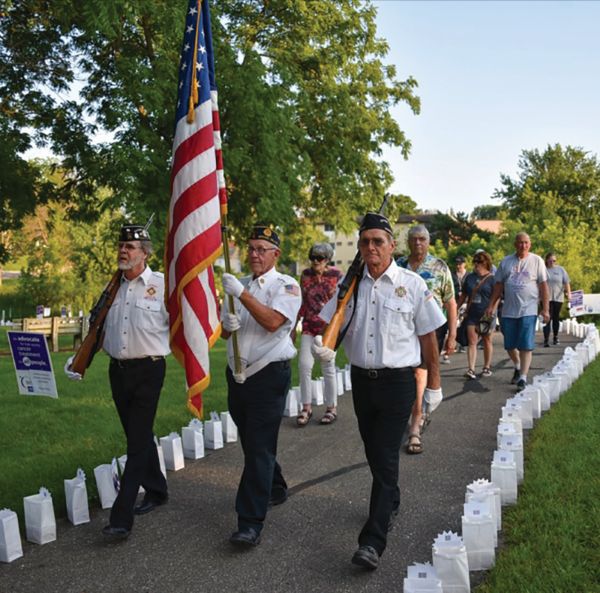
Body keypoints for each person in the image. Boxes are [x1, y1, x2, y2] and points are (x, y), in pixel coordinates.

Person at [313, 212, 445, 570]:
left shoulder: (412, 284)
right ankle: (392, 497)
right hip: (361, 380)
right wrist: (323, 345)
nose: (371, 247)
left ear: (392, 245)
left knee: (385, 454)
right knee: (374, 451)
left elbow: (429, 338)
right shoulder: (350, 285)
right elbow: (333, 323)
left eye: (378, 241)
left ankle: (372, 541)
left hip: (398, 381)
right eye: (365, 241)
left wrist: (433, 385)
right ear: (359, 246)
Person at [65, 224, 170, 540]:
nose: (123, 251)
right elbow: (99, 331)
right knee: (138, 434)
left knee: (135, 443)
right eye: (121, 246)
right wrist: (79, 359)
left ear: (145, 253)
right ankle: (157, 488)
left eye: (130, 247)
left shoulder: (163, 286)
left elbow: (184, 325)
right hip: (118, 372)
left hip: (150, 370)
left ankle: (121, 518)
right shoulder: (112, 289)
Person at [220, 225, 301, 548]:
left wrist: (241, 296)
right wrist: (226, 325)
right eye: (251, 248)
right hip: (238, 375)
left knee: (257, 445)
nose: (254, 254)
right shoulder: (237, 284)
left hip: (268, 375)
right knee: (255, 442)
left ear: (275, 254)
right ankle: (276, 485)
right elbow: (225, 333)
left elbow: (271, 322)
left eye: (261, 249)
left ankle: (249, 521)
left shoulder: (288, 286)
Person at [396, 224, 457, 454]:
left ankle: (415, 428)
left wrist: (452, 334)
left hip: (431, 331)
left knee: (419, 374)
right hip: (402, 328)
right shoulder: (399, 265)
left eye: (422, 239)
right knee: (406, 374)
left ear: (428, 242)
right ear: (408, 242)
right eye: (414, 239)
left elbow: (450, 302)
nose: (418, 243)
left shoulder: (439, 267)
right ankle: (412, 414)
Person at [484, 232, 549, 391]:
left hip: (529, 309)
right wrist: (491, 305)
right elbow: (498, 285)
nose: (523, 246)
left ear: (530, 244)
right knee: (510, 345)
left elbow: (543, 286)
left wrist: (545, 309)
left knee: (526, 345)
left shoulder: (536, 261)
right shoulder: (506, 262)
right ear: (515, 244)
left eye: (526, 242)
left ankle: (523, 378)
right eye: (520, 242)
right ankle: (518, 365)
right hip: (508, 310)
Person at [296, 243, 343, 426]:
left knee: (328, 366)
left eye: (320, 258)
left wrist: (337, 327)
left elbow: (341, 303)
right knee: (304, 365)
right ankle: (306, 407)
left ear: (328, 259)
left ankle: (331, 408)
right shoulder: (305, 275)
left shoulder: (337, 276)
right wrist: (293, 327)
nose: (316, 261)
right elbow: (302, 301)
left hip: (328, 329)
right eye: (313, 257)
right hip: (308, 326)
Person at [456, 251, 496, 378]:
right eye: (475, 261)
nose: (477, 264)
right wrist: (456, 308)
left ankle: (486, 367)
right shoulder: (470, 277)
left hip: (486, 315)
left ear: (486, 263)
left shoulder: (492, 279)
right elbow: (464, 295)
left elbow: (497, 297)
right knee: (472, 341)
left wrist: (492, 310)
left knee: (486, 340)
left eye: (480, 262)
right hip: (472, 313)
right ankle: (471, 369)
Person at [543, 252, 571, 347]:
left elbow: (566, 282)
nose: (552, 262)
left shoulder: (561, 270)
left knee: (555, 318)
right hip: (545, 298)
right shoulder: (543, 270)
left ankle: (555, 336)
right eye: (550, 260)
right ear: (546, 260)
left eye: (554, 261)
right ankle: (546, 339)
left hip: (558, 298)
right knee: (547, 318)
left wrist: (569, 294)